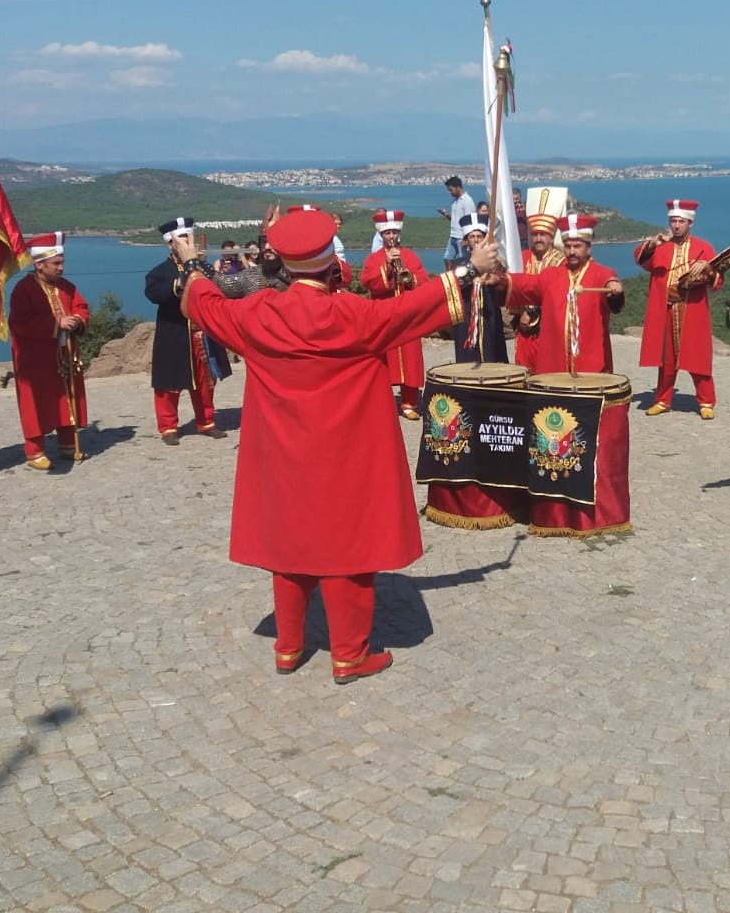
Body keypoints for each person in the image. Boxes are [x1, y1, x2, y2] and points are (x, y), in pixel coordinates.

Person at [175, 208, 501, 683]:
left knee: (289, 544)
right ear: (332, 262)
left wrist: (189, 263)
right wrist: (472, 267)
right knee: (348, 549)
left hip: (283, 457)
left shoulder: (258, 314)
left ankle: (289, 646)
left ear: (284, 264)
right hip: (343, 457)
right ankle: (349, 655)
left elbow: (204, 303)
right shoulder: (353, 314)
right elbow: (411, 307)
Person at [495, 213, 625, 373]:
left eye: (577, 246)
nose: (571, 252)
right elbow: (526, 284)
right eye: (568, 246)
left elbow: (609, 280)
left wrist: (614, 286)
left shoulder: (600, 273)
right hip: (556, 362)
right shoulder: (552, 275)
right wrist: (498, 281)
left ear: (588, 247)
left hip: (591, 362)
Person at [145, 216, 231, 444]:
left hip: (202, 334)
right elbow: (153, 293)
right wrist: (179, 284)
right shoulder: (159, 271)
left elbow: (219, 286)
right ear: (170, 243)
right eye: (181, 239)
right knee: (168, 384)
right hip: (174, 334)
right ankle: (168, 427)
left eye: (188, 238)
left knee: (206, 381)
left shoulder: (202, 267)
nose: (185, 243)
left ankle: (207, 422)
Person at [9, 232, 90, 470]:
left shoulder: (66, 287)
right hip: (36, 359)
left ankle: (67, 443)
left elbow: (81, 306)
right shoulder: (23, 290)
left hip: (65, 355)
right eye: (56, 264)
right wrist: (56, 325)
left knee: (68, 396)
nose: (61, 268)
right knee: (36, 402)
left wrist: (77, 319)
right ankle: (35, 451)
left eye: (62, 262)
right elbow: (20, 322)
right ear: (39, 264)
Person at [634, 199, 722, 418]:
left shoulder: (704, 247)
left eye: (680, 221)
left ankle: (706, 402)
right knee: (666, 359)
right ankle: (663, 399)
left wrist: (708, 268)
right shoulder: (661, 247)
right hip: (666, 308)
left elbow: (718, 281)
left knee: (697, 356)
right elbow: (640, 259)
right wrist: (652, 244)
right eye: (673, 221)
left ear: (689, 223)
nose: (676, 225)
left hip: (692, 308)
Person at [360, 209, 430, 420]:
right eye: (387, 233)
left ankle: (409, 402)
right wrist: (387, 268)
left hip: (407, 315)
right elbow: (368, 282)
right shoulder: (374, 259)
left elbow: (423, 281)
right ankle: (383, 399)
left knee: (410, 356)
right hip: (385, 313)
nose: (391, 236)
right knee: (384, 357)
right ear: (381, 235)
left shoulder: (409, 255)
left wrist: (409, 278)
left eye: (393, 232)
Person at [511, 210, 565, 370]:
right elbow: (514, 286)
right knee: (524, 372)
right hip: (523, 328)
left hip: (549, 327)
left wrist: (532, 312)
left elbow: (559, 294)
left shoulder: (561, 261)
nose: (538, 238)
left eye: (543, 234)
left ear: (551, 237)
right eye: (535, 234)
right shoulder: (523, 257)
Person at [451, 212, 508, 363]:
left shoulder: (495, 262)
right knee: (468, 354)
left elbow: (504, 283)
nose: (476, 240)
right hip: (467, 314)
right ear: (466, 240)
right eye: (472, 236)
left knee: (492, 351)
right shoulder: (458, 263)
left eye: (479, 236)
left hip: (490, 313)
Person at [438, 176, 477, 264]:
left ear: (457, 187)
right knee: (448, 259)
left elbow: (470, 221)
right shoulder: (455, 202)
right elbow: (455, 219)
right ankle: (449, 276)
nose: (450, 192)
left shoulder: (467, 201)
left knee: (463, 261)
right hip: (453, 236)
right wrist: (445, 214)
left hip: (461, 237)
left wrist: (467, 239)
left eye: (451, 190)